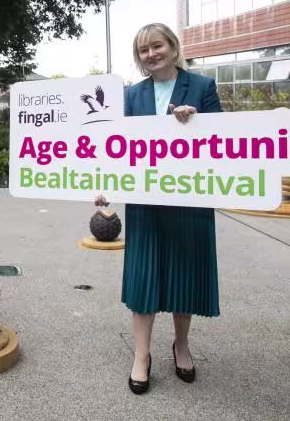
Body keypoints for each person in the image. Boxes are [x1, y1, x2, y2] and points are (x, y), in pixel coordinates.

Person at [95, 22, 222, 395]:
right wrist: (103, 186)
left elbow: (227, 139)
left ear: (173, 46)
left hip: (189, 198)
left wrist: (195, 123)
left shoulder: (202, 86)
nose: (151, 54)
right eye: (144, 50)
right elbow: (117, 146)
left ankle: (181, 345)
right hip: (146, 199)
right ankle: (141, 354)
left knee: (185, 273)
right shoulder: (132, 95)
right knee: (143, 276)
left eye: (157, 46)